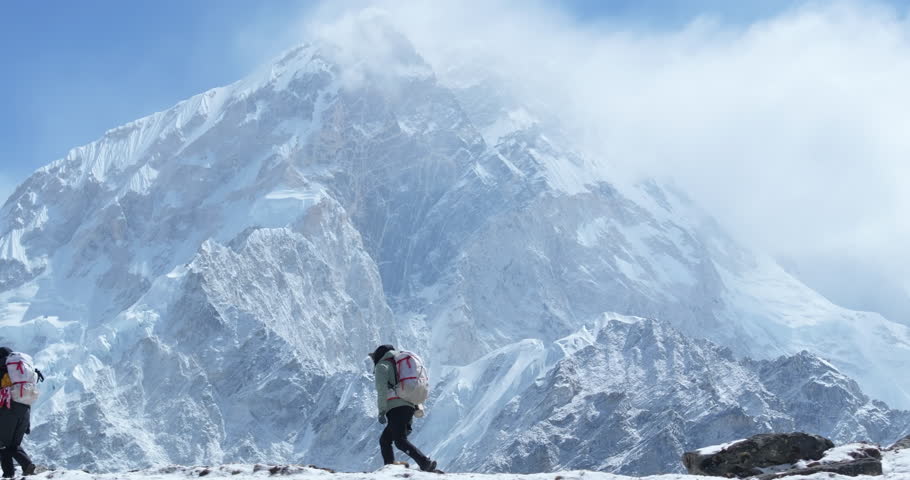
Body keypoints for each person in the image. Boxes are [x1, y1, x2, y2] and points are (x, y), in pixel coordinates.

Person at [370, 344, 437, 472]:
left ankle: (425, 463)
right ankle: (389, 468)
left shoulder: (382, 366)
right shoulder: (398, 365)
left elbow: (382, 390)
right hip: (407, 406)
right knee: (385, 440)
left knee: (399, 441)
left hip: (395, 407)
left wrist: (381, 411)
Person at [0, 347, 36, 478]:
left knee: (2, 443)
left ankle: (23, 466)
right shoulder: (22, 371)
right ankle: (10, 472)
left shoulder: (3, 369)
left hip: (9, 408)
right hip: (25, 408)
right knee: (12, 444)